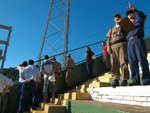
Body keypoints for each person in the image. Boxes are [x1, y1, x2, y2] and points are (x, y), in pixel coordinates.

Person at [126, 2, 150, 86]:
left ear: (134, 14)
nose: (129, 15)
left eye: (131, 13)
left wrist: (135, 10)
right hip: (129, 43)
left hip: (138, 40)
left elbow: (143, 16)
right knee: (132, 62)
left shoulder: (138, 20)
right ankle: (135, 80)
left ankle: (146, 79)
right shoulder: (127, 25)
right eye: (128, 14)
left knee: (142, 59)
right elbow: (123, 35)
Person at [106, 13, 129, 88]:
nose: (117, 18)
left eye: (118, 17)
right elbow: (108, 38)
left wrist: (123, 23)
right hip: (113, 46)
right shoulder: (111, 28)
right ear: (114, 19)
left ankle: (125, 79)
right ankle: (115, 80)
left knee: (123, 61)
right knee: (114, 63)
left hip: (122, 44)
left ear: (121, 18)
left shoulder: (124, 26)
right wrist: (108, 47)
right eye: (116, 17)